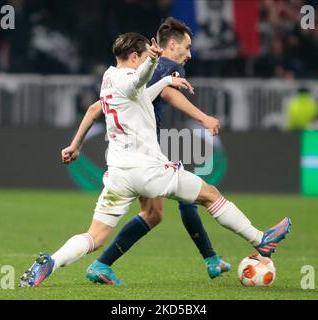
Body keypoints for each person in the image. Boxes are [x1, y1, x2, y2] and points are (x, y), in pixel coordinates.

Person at [20, 32, 291, 288]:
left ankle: (51, 262)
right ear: (136, 56)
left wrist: (165, 81)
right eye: (145, 57)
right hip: (149, 170)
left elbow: (139, 94)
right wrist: (153, 60)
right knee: (210, 195)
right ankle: (260, 240)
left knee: (95, 237)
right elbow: (138, 81)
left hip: (118, 175)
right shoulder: (131, 77)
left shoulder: (109, 77)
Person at [85, 17, 229, 285]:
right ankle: (211, 259)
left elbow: (96, 108)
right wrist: (204, 118)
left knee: (154, 214)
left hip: (133, 147)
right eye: (186, 48)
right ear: (172, 45)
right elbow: (168, 94)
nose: (189, 54)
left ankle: (101, 264)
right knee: (189, 195)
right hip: (144, 150)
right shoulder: (167, 66)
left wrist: (75, 143)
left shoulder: (132, 71)